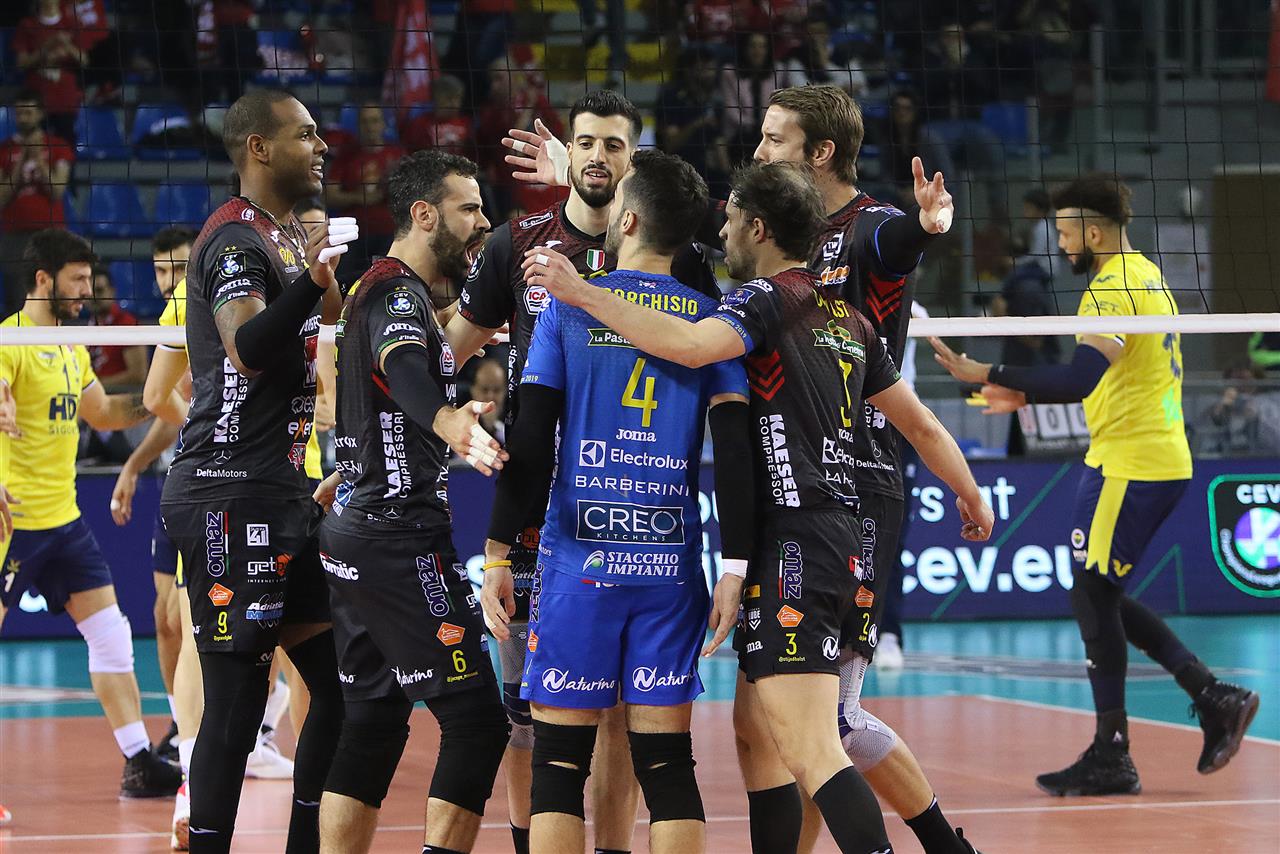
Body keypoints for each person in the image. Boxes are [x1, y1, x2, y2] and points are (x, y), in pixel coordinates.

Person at [504, 82, 977, 854]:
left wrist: (581, 291)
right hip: (836, 522)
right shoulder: (847, 315)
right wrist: (969, 493)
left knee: (818, 741)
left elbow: (691, 343)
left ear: (762, 220)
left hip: (794, 531)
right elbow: (921, 423)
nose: (756, 149)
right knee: (759, 736)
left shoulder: (761, 299)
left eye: (771, 138)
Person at [447, 89, 718, 854]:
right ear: (571, 149)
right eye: (587, 143)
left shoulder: (681, 262)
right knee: (526, 721)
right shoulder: (518, 242)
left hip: (603, 515)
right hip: (547, 515)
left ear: (634, 163)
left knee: (614, 726)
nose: (600, 157)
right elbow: (448, 350)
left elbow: (682, 218)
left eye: (614, 146)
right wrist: (434, 414)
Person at [930, 172, 1261, 796]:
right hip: (1149, 455)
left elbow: (1080, 378)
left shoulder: (1111, 290)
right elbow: (1112, 379)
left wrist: (988, 369)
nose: (1059, 244)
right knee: (1097, 592)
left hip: (1131, 464)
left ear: (1095, 231)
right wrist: (1023, 394)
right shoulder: (1147, 275)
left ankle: (1120, 747)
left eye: (1065, 232)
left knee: (1090, 592)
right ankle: (1208, 697)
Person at [159, 88, 354, 852]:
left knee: (338, 687)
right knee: (237, 703)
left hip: (279, 491)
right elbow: (245, 346)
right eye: (305, 134)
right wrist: (313, 283)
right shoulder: (237, 240)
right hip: (227, 495)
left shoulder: (281, 236)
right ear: (259, 148)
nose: (322, 145)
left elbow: (315, 333)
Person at [314, 150, 510, 854]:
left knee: (371, 723)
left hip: (357, 529)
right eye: (469, 208)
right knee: (477, 723)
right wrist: (449, 420)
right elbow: (403, 371)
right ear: (424, 214)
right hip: (398, 537)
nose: (483, 222)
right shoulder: (398, 297)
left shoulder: (377, 287)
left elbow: (378, 383)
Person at [0, 228, 181, 799]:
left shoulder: (70, 344)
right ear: (43, 280)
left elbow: (101, 413)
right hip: (12, 525)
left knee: (111, 635)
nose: (87, 289)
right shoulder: (10, 342)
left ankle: (139, 761)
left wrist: (158, 399)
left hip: (64, 522)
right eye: (77, 279)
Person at [107, 225, 196, 771]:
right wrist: (134, 464)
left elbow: (170, 404)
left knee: (189, 618)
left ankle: (245, 728)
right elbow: (166, 408)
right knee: (164, 621)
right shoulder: (170, 321)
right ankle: (183, 726)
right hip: (175, 483)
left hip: (216, 486)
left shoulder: (208, 309)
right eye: (161, 270)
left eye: (178, 268)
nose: (169, 281)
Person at [0, 89, 74, 315]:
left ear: (40, 114)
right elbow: (1, 196)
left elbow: (57, 190)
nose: (23, 118)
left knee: (55, 292)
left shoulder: (58, 146)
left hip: (50, 233)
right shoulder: (4, 150)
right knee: (17, 297)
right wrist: (21, 159)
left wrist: (39, 160)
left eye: (28, 113)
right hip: (14, 235)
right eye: (19, 113)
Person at [469, 357, 508, 443]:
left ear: (505, 391)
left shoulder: (514, 421)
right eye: (485, 390)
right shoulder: (460, 421)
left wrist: (493, 428)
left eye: (497, 390)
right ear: (473, 390)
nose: (490, 397)